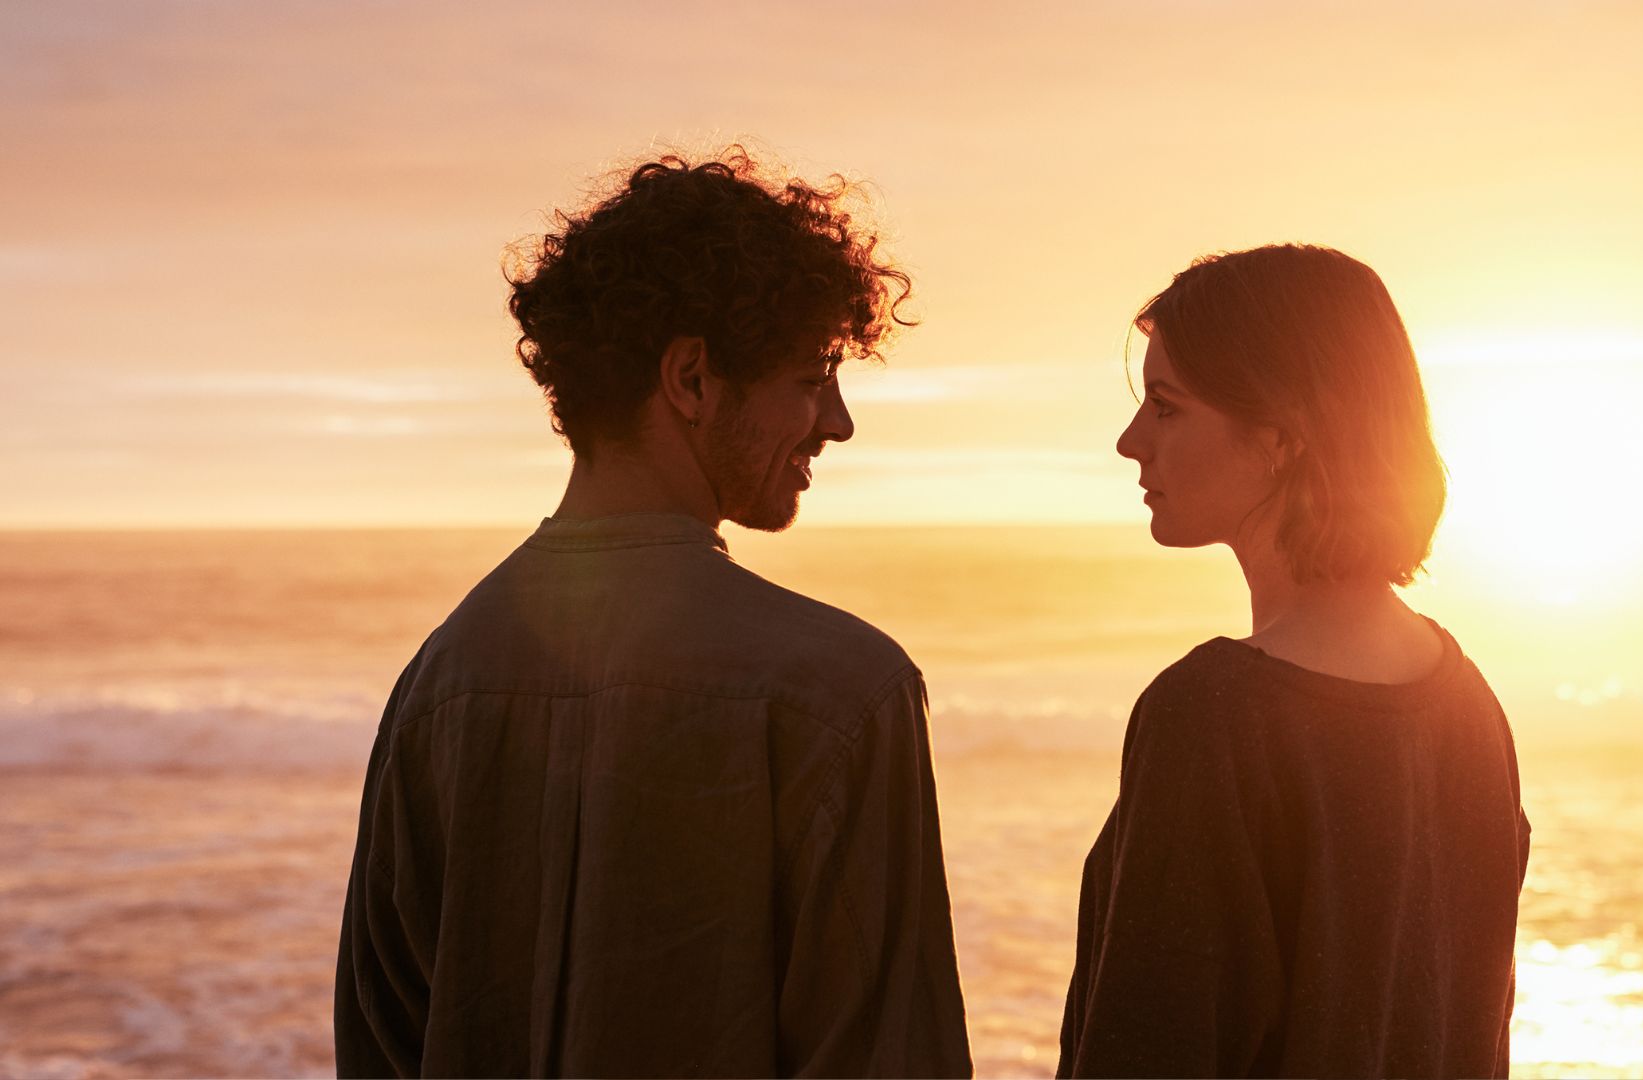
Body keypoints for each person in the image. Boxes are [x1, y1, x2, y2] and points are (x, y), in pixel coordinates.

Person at [334, 149, 971, 1078]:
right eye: (811, 376)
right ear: (692, 379)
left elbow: (379, 1050)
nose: (836, 422)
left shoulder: (440, 681)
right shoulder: (841, 691)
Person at [1057, 244, 1530, 1078]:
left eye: (1166, 408)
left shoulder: (1214, 715)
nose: (1131, 441)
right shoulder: (1468, 704)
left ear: (1279, 436)